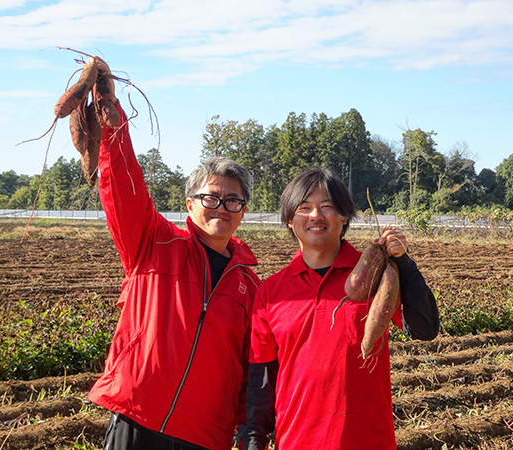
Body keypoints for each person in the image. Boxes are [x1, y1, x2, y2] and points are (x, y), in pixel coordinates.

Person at [85, 57, 261, 450]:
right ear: (190, 203)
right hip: (137, 416)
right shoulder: (154, 242)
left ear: (243, 211)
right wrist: (114, 126)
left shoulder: (250, 285)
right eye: (211, 197)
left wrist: (253, 433)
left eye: (234, 200)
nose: (222, 207)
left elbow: (253, 369)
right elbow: (125, 191)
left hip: (203, 434)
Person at [239, 167, 439, 450]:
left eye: (327, 207)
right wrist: (253, 442)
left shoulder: (375, 276)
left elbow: (425, 328)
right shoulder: (271, 292)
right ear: (288, 220)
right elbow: (261, 384)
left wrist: (404, 265)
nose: (315, 216)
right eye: (304, 207)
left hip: (368, 441)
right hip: (296, 442)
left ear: (344, 217)